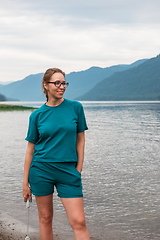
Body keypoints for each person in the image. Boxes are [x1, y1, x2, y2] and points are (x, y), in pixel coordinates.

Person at [23, 68, 90, 240]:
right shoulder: (36, 115)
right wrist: (25, 183)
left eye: (64, 83)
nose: (62, 86)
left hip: (68, 171)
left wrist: (79, 169)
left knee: (79, 221)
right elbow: (30, 150)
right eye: (57, 83)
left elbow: (80, 140)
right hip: (41, 170)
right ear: (46, 85)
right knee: (45, 218)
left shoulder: (75, 108)